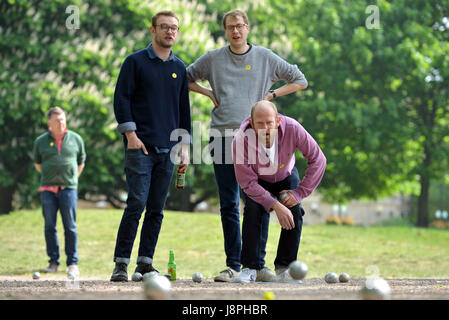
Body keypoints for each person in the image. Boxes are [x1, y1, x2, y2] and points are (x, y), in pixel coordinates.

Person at [186, 9, 308, 282]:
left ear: (248, 28)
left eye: (240, 26)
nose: (236, 31)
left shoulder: (264, 57)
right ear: (225, 30)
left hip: (256, 141)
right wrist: (206, 91)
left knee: (256, 200)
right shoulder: (213, 59)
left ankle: (257, 265)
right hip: (222, 138)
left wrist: (272, 93)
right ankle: (234, 266)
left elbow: (300, 80)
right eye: (230, 27)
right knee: (228, 203)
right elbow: (184, 77)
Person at [110, 10, 191, 282]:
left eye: (174, 28)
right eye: (164, 27)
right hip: (140, 147)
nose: (170, 32)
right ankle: (121, 263)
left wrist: (185, 147)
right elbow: (121, 99)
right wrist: (131, 135)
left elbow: (183, 111)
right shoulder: (134, 62)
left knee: (156, 208)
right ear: (152, 30)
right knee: (136, 203)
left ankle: (144, 264)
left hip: (168, 151)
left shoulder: (180, 68)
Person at [232, 100, 326, 283]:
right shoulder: (240, 139)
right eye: (259, 123)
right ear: (251, 123)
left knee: (295, 210)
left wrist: (299, 193)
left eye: (269, 122)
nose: (265, 128)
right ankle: (251, 267)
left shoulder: (293, 128)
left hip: (285, 174)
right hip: (256, 179)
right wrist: (274, 204)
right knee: (253, 210)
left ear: (278, 121)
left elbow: (318, 159)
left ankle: (285, 268)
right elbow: (247, 182)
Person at [33, 106, 86, 279]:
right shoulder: (40, 141)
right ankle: (53, 262)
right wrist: (51, 177)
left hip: (68, 189)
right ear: (49, 123)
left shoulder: (76, 139)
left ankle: (72, 263)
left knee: (70, 227)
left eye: (63, 119)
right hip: (47, 189)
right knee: (50, 226)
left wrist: (71, 179)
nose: (61, 122)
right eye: (57, 120)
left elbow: (81, 161)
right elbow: (38, 164)